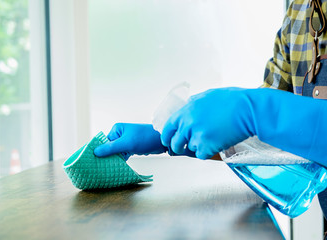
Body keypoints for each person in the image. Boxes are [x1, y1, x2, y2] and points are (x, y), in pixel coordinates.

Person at [94, 0, 327, 217]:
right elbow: (274, 141)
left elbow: (261, 117)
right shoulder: (300, 12)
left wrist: (256, 111)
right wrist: (170, 132)